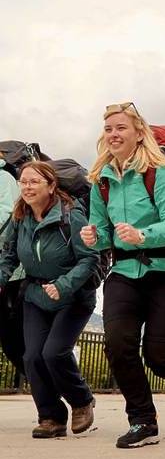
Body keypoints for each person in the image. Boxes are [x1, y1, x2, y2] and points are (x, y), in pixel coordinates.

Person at [80, 102, 165, 449]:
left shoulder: (160, 173)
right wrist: (95, 237)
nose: (114, 134)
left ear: (138, 134)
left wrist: (143, 236)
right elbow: (104, 232)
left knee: (159, 356)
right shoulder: (101, 181)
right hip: (123, 272)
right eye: (108, 129)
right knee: (118, 345)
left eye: (121, 128)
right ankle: (142, 421)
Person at [0, 161, 98, 438]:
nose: (27, 188)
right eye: (23, 182)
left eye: (34, 182)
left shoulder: (72, 216)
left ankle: (81, 401)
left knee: (54, 353)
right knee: (31, 356)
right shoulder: (21, 218)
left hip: (74, 297)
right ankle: (51, 417)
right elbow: (8, 257)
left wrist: (64, 285)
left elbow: (89, 258)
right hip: (35, 296)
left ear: (51, 186)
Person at [0, 151, 26, 383]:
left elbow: (8, 213)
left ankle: (53, 383)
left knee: (13, 339)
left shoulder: (4, 178)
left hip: (11, 273)